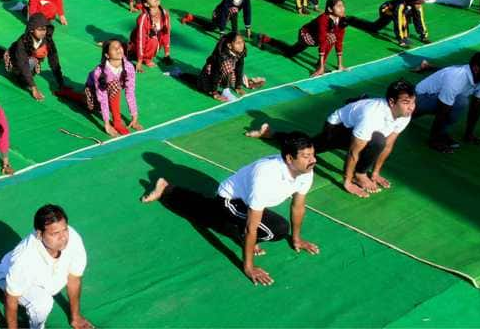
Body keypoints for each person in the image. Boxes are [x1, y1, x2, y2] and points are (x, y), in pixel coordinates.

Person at [141, 131, 319, 285]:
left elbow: (298, 206)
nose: (313, 160)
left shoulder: (306, 171)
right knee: (277, 230)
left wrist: (297, 239)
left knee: (208, 213)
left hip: (249, 200)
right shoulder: (266, 176)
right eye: (306, 156)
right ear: (289, 158)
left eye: (312, 154)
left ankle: (168, 189)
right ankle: (167, 191)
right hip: (230, 199)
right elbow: (251, 227)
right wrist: (248, 267)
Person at [247, 79, 416, 198]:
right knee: (308, 149)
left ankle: (361, 173)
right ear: (392, 102)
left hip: (361, 130)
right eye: (406, 102)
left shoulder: (404, 114)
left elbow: (388, 145)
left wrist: (376, 173)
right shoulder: (372, 116)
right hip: (337, 127)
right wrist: (348, 182)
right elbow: (353, 152)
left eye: (413, 102)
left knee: (380, 141)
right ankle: (272, 134)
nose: (411, 107)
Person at [0, 204, 93, 329]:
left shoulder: (72, 239)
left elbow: (74, 278)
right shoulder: (23, 260)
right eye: (55, 233)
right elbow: (11, 299)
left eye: (64, 229)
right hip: (13, 270)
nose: (63, 237)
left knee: (4, 277)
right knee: (41, 302)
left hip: (44, 276)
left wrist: (76, 317)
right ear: (39, 234)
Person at [413, 53, 480, 153]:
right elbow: (442, 110)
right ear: (476, 68)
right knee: (460, 101)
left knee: (458, 102)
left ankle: (441, 133)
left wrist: (469, 134)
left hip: (436, 100)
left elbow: (476, 106)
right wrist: (434, 141)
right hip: (418, 100)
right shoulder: (457, 77)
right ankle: (437, 137)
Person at [56, 40, 141, 137]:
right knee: (89, 106)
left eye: (120, 46)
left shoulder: (129, 67)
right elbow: (102, 98)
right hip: (92, 88)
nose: (119, 49)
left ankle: (117, 122)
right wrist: (107, 124)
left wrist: (134, 117)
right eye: (114, 48)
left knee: (114, 86)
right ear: (107, 55)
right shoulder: (99, 72)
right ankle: (68, 94)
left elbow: (130, 92)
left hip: (113, 89)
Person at [258, 0, 347, 77]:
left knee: (290, 52)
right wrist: (321, 69)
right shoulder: (323, 19)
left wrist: (340, 64)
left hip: (318, 36)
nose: (342, 8)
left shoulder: (342, 19)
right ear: (330, 9)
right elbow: (322, 41)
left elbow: (339, 40)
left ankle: (265, 38)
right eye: (339, 6)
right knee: (330, 38)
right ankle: (320, 65)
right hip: (305, 35)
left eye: (343, 5)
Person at [177, 32, 264, 102]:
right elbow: (215, 73)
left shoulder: (240, 52)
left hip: (223, 75)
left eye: (242, 42)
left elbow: (239, 68)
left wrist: (238, 86)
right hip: (210, 75)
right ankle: (225, 91)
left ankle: (241, 82)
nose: (241, 45)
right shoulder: (222, 56)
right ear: (229, 46)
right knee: (198, 83)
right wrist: (214, 92)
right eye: (238, 43)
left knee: (235, 74)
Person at [1, 13, 66, 101]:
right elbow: (23, 64)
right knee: (24, 78)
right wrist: (34, 88)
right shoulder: (22, 41)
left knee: (32, 62)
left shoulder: (48, 40)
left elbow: (54, 60)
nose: (43, 32)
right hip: (14, 60)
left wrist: (60, 82)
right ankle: (17, 75)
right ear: (31, 30)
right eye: (39, 29)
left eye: (44, 29)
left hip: (31, 60)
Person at [347, 0, 429, 47]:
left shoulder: (418, 6)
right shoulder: (400, 5)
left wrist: (424, 37)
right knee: (375, 28)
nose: (420, 5)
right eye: (419, 2)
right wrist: (401, 39)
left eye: (421, 2)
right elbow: (398, 22)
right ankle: (351, 20)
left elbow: (420, 21)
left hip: (403, 12)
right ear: (413, 1)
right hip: (386, 10)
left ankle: (414, 36)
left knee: (412, 17)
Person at [180, 0, 252, 37]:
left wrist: (248, 29)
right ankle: (192, 18)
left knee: (234, 11)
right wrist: (222, 32)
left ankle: (234, 33)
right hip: (218, 14)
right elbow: (223, 14)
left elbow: (247, 12)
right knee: (211, 28)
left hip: (230, 14)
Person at [127, 0, 171, 72]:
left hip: (152, 39)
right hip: (137, 40)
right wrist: (139, 61)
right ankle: (144, 58)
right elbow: (141, 39)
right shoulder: (143, 18)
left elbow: (166, 33)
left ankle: (136, 52)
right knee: (153, 40)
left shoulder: (164, 13)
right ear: (146, 4)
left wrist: (167, 53)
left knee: (158, 37)